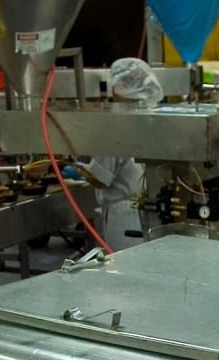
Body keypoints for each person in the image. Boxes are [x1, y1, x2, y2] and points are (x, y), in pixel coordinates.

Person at [65, 58, 161, 248]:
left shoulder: (114, 125)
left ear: (122, 84)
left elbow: (100, 178)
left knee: (125, 269)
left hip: (124, 215)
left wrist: (79, 170)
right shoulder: (153, 116)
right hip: (152, 208)